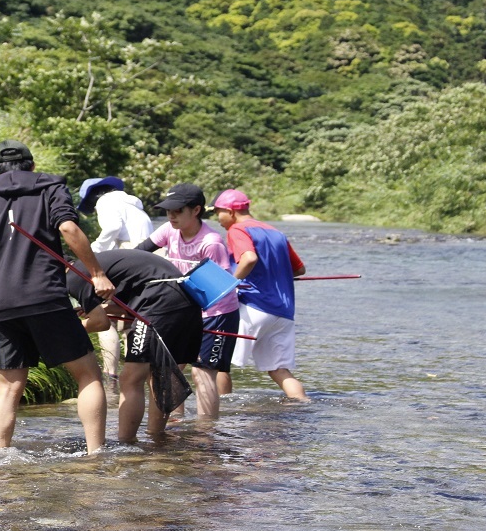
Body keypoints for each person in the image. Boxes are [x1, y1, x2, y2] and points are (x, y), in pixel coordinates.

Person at [0, 139, 115, 453]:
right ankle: (96, 454)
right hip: (45, 296)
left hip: (0, 304)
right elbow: (69, 229)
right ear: (32, 166)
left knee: (8, 387)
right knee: (88, 374)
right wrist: (97, 273)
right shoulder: (51, 188)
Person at [67, 250, 202, 442]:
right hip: (186, 300)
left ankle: (126, 443)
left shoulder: (73, 275)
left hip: (160, 300)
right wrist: (100, 308)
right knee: (161, 376)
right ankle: (157, 439)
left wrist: (67, 330)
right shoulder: (95, 264)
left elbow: (101, 323)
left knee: (130, 378)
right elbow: (129, 300)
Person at [136, 183, 241, 421]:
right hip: (185, 309)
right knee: (167, 370)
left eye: (177, 210)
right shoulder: (168, 230)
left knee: (202, 373)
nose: (171, 216)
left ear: (196, 210)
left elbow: (219, 286)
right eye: (167, 210)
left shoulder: (211, 242)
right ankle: (176, 423)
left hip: (217, 312)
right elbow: (141, 252)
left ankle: (206, 433)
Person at [211, 189, 309, 401]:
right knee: (279, 370)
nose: (217, 218)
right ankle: (303, 405)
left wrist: (229, 285)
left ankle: (219, 414)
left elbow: (248, 259)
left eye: (218, 212)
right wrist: (272, 274)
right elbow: (299, 269)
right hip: (283, 312)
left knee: (219, 363)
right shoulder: (275, 232)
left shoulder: (237, 230)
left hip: (253, 307)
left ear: (230, 211)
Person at [76, 176, 155, 403]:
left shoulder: (106, 202)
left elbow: (112, 228)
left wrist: (91, 254)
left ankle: (110, 377)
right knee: (130, 319)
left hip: (125, 261)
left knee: (106, 317)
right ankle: (136, 371)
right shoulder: (135, 206)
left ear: (94, 196)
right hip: (144, 264)